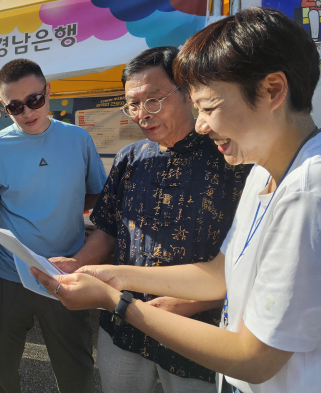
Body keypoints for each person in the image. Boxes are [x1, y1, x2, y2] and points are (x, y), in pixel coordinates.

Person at [31, 7, 321, 393]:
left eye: (210, 107)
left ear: (272, 90)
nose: (203, 125)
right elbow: (219, 274)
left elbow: (255, 358)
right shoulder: (263, 174)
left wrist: (117, 301)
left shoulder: (307, 192)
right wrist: (113, 274)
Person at [50, 47, 250, 393]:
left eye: (153, 100)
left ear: (188, 93)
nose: (142, 113)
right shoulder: (132, 157)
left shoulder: (230, 158)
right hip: (123, 325)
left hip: (199, 330)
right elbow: (109, 230)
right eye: (133, 104)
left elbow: (245, 257)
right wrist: (77, 264)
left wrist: (194, 302)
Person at [0, 59, 107, 393]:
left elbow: (97, 199)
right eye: (15, 106)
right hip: (7, 276)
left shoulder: (78, 139)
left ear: (48, 92)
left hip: (64, 272)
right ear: (4, 107)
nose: (28, 112)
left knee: (76, 369)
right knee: (3, 370)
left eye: (34, 100)